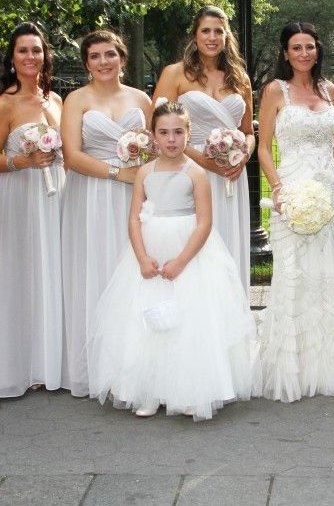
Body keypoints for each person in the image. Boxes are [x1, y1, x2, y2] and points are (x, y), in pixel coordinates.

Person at [88, 102, 254, 419]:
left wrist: (181, 261)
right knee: (146, 319)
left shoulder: (196, 173)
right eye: (164, 133)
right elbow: (134, 218)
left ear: (188, 133)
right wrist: (142, 257)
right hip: (151, 248)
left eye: (178, 132)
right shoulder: (145, 172)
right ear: (153, 136)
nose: (171, 139)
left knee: (189, 318)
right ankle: (149, 389)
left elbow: (204, 222)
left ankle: (189, 390)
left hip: (187, 251)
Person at [256, 21, 334, 403]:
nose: (304, 53)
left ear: (318, 50)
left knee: (328, 274)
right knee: (293, 274)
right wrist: (278, 189)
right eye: (296, 47)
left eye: (309, 46)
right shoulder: (274, 91)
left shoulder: (329, 89)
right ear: (285, 53)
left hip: (328, 191)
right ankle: (290, 368)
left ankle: (326, 366)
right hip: (292, 192)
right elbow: (263, 148)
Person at [60, 30, 153, 397]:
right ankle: (95, 368)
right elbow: (72, 156)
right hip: (90, 195)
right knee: (95, 271)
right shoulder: (76, 100)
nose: (103, 62)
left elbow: (154, 147)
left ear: (122, 58)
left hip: (134, 195)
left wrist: (140, 168)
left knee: (130, 273)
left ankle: (133, 367)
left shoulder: (140, 98)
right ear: (87, 63)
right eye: (95, 56)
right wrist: (118, 173)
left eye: (110, 54)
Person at [0, 22, 64, 398]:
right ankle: (22, 363)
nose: (30, 57)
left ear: (45, 56)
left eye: (36, 50)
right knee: (22, 272)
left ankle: (51, 360)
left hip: (57, 193)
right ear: (12, 59)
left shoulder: (56, 101)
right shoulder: (4, 104)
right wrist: (24, 161)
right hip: (21, 195)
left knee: (53, 270)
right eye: (23, 51)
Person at [153, 6, 254, 290]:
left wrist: (243, 154)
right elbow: (158, 129)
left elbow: (248, 131)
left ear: (226, 36)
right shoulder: (175, 74)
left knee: (227, 241)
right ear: (195, 35)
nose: (212, 37)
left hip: (231, 175)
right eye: (206, 31)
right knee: (193, 243)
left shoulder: (240, 78)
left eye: (218, 31)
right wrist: (204, 161)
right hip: (187, 170)